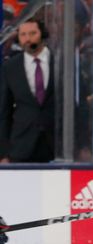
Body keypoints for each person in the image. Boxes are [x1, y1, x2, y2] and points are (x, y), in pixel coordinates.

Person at [0, 19, 54, 163]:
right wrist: (3, 154)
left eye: (32, 33)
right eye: (23, 34)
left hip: (56, 146)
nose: (27, 39)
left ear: (42, 34)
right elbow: (3, 112)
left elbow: (78, 106)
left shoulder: (60, 61)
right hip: (21, 147)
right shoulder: (10, 67)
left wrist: (82, 146)